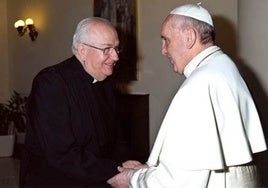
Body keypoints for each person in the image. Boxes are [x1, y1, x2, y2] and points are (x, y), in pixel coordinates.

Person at [107, 3, 267, 188]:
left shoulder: (199, 86)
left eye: (166, 40)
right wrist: (147, 170)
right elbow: (196, 165)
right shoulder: (224, 66)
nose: (163, 50)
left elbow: (178, 182)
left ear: (190, 37)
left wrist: (131, 179)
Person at [20, 17, 125, 187]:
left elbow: (115, 137)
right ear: (82, 50)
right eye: (107, 49)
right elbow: (61, 153)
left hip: (95, 177)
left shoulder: (106, 84)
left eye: (116, 48)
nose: (115, 57)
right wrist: (115, 170)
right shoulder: (50, 83)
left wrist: (124, 163)